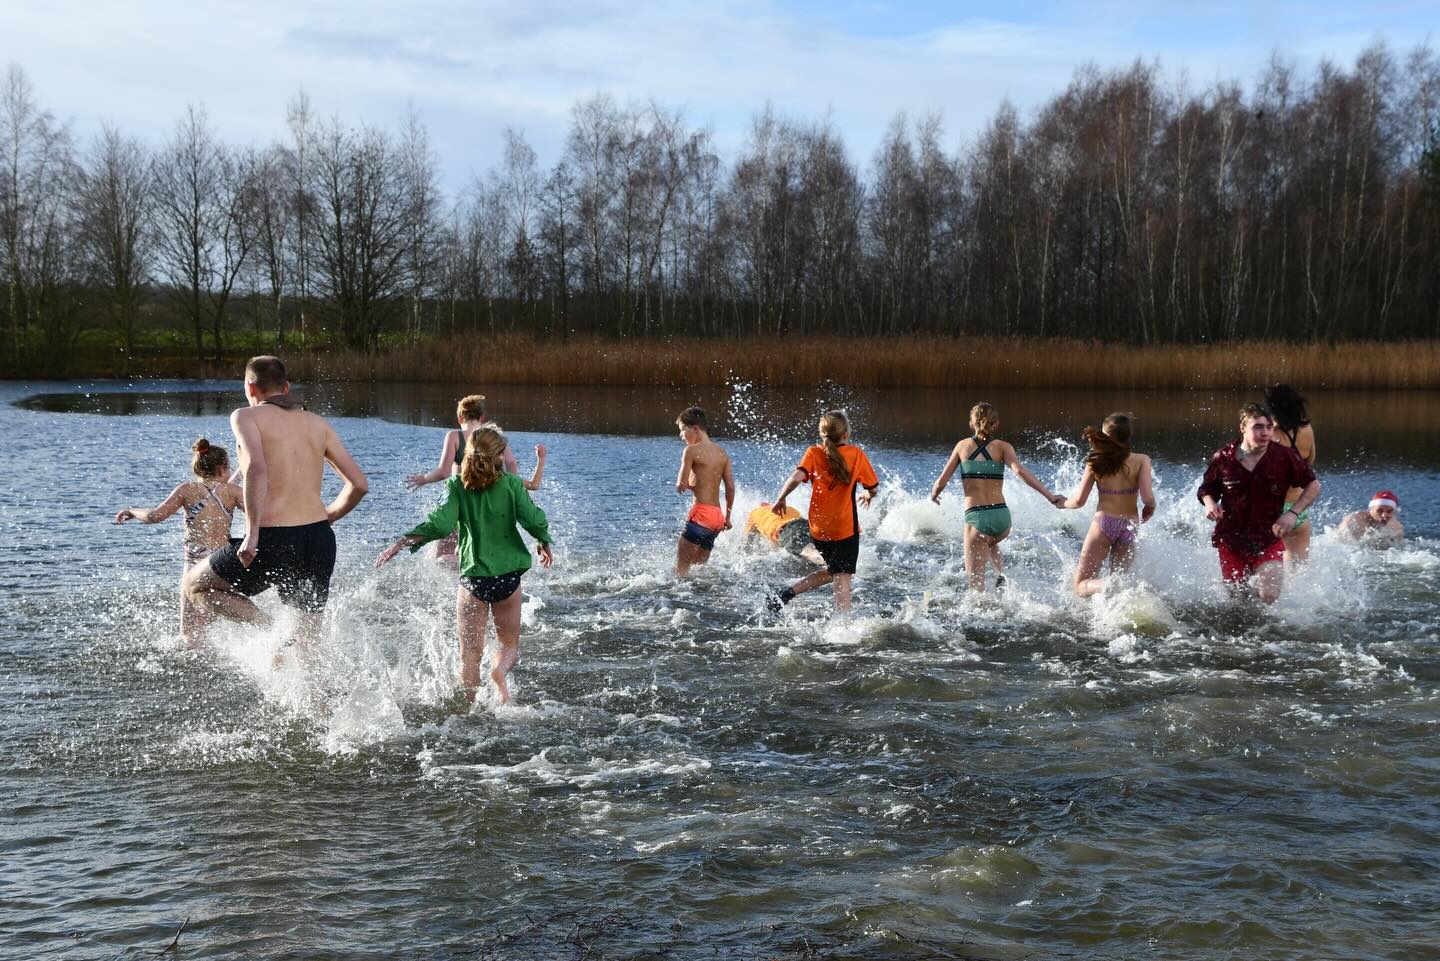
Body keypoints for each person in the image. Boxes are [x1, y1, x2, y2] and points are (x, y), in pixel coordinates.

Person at [182, 356, 368, 665]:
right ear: (286, 387)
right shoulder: (317, 423)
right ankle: (319, 709)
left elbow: (256, 466)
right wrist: (328, 516)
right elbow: (359, 484)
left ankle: (271, 632)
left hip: (274, 539)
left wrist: (252, 534)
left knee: (195, 586)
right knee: (307, 649)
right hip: (319, 540)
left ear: (249, 387)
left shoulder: (245, 416)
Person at [376, 426, 553, 706]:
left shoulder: (456, 486)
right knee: (508, 645)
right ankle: (498, 672)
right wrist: (543, 540)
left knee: (469, 655)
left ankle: (468, 711)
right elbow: (532, 519)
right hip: (507, 579)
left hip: (473, 581)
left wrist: (403, 541)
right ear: (499, 456)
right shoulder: (512, 485)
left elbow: (440, 524)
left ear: (468, 454)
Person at [115, 438, 244, 646]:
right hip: (222, 564)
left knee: (189, 635)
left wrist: (132, 511)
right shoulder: (233, 492)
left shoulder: (187, 489)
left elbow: (155, 516)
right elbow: (254, 510)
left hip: (195, 565)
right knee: (220, 619)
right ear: (222, 469)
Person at [929, 402, 1065, 592]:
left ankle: (982, 611)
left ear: (971, 423)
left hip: (977, 517)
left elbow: (942, 481)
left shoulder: (962, 446)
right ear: (996, 424)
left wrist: (934, 495)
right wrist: (1050, 496)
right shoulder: (1003, 447)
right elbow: (1021, 473)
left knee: (975, 588)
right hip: (1002, 519)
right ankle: (1001, 573)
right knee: (990, 541)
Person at [1197, 403, 1320, 604]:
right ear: (1243, 427)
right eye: (1258, 427)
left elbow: (1313, 485)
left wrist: (1293, 513)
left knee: (1269, 595)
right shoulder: (1224, 458)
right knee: (1238, 601)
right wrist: (1210, 503)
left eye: (1269, 427)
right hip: (1231, 540)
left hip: (1268, 538)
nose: (1265, 433)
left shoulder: (1283, 456)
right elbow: (1206, 488)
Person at [406, 394, 545, 564]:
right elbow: (511, 462)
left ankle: (458, 583)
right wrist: (510, 485)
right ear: (482, 417)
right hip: (487, 501)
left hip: (461, 499)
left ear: (459, 417)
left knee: (440, 555)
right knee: (473, 547)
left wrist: (424, 479)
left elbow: (443, 472)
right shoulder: (493, 437)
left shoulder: (454, 436)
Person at [767, 411, 879, 614]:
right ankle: (842, 626)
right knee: (842, 576)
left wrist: (781, 498)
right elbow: (872, 487)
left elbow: (795, 477)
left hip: (819, 529)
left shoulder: (813, 453)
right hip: (844, 528)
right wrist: (869, 496)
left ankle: (786, 594)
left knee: (834, 571)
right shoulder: (856, 455)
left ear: (822, 434)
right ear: (846, 435)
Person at [1061, 414, 1157, 597]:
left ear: (1105, 435)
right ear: (1129, 435)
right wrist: (1150, 507)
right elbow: (1147, 497)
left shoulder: (1095, 461)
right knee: (1119, 583)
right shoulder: (1142, 460)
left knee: (1081, 585)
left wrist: (1062, 502)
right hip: (1130, 526)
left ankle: (1104, 585)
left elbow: (1079, 501)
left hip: (1104, 523)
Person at [674, 407, 735, 575]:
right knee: (699, 573)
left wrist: (683, 486)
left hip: (701, 515)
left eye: (682, 430)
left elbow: (681, 484)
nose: (681, 436)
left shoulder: (691, 451)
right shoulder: (723, 454)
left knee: (681, 571)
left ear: (695, 428)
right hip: (717, 519)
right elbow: (730, 488)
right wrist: (727, 518)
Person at [1264, 384, 1317, 564]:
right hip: (1297, 509)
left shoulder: (1267, 433)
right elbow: (1309, 463)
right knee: (1299, 571)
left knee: (1264, 567)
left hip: (1271, 510)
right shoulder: (1307, 429)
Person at [742, 502, 826, 567]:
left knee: (810, 553)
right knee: (819, 549)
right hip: (805, 524)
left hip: (787, 530)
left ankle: (833, 567)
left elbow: (747, 540)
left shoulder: (753, 514)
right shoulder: (787, 508)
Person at [1339, 490, 1405, 546]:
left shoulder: (1396, 526)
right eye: (1379, 511)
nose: (1384, 515)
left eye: (1389, 511)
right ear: (1371, 509)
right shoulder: (1356, 520)